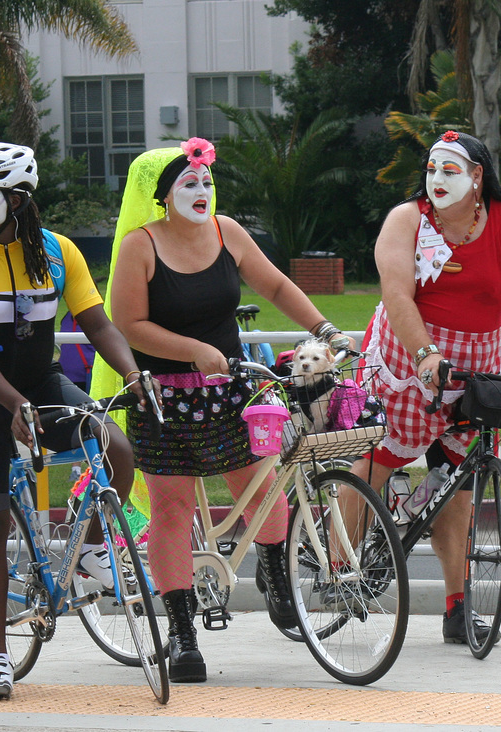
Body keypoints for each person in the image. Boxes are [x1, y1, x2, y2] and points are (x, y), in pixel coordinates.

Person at [101, 139, 351, 684]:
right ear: (163, 195)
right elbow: (128, 324)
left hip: (231, 391)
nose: (201, 192)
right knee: (171, 512)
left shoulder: (227, 232)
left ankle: (275, 575)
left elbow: (277, 284)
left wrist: (325, 331)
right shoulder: (140, 246)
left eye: (207, 182)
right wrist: (191, 350)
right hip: (163, 398)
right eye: (189, 184)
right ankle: (183, 631)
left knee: (262, 489)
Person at [0, 142, 151, 701]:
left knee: (117, 448)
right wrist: (13, 406)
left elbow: (98, 324)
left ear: (19, 199)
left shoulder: (59, 253)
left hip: (38, 384)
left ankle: (93, 553)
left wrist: (131, 374)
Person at [348, 129, 501, 646]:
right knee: (380, 456)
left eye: (450, 169)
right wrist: (425, 356)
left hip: (477, 360)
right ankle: (343, 567)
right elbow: (397, 293)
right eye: (431, 169)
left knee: (457, 481)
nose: (437, 179)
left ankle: (456, 605)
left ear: (477, 177)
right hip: (408, 350)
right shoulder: (407, 220)